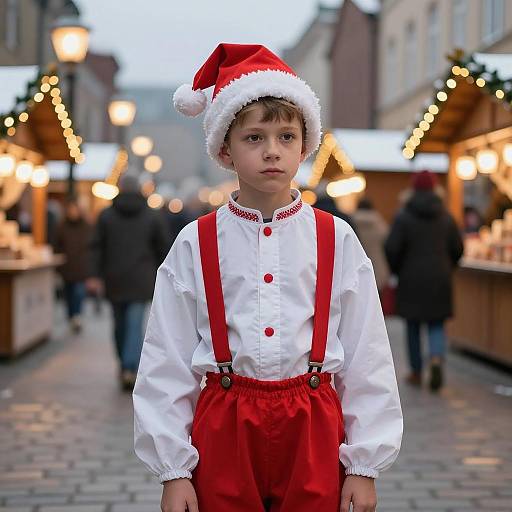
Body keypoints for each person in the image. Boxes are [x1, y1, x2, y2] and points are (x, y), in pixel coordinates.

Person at [133, 44, 402, 512]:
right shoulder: (196, 242)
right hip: (225, 421)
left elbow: (367, 352)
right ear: (225, 149)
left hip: (313, 422)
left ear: (304, 145)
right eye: (254, 138)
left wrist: (364, 464)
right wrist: (173, 471)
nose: (272, 151)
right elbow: (166, 356)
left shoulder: (334, 237)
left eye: (286, 136)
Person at [88, 174, 169, 391]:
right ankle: (129, 367)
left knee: (119, 325)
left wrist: (95, 275)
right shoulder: (152, 216)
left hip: (114, 279)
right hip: (141, 279)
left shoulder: (106, 216)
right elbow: (163, 249)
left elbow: (96, 247)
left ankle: (125, 364)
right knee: (134, 325)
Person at [385, 170, 463, 392]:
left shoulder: (403, 216)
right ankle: (436, 359)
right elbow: (458, 248)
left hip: (410, 279)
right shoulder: (446, 217)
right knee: (436, 323)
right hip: (440, 278)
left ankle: (417, 372)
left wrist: (398, 269)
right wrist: (449, 267)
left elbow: (391, 248)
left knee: (412, 326)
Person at [55, 198, 92, 333]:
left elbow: (91, 247)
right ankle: (71, 316)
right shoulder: (62, 226)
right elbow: (56, 245)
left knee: (78, 292)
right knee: (68, 294)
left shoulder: (87, 226)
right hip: (67, 267)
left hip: (81, 267)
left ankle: (77, 316)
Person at [352, 197, 390, 293]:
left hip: (356, 266)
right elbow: (388, 242)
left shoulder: (351, 222)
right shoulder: (379, 223)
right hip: (377, 265)